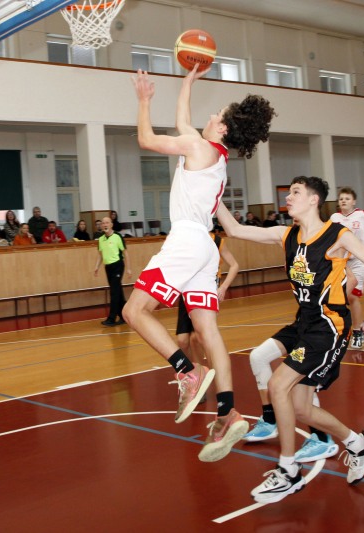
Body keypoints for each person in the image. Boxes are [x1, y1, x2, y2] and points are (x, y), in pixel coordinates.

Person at [122, 65, 275, 462]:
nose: (209, 116)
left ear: (221, 128)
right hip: (206, 247)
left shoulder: (198, 147)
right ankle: (228, 412)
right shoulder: (215, 157)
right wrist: (187, 82)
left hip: (187, 240)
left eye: (216, 114)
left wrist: (143, 101)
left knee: (134, 311)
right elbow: (182, 121)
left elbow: (146, 138)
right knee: (207, 331)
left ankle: (187, 371)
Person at [216, 176, 364, 504]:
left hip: (329, 326)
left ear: (313, 200)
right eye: (288, 192)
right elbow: (235, 229)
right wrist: (212, 192)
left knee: (278, 385)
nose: (288, 197)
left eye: (295, 192)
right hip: (303, 323)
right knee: (302, 409)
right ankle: (359, 444)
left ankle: (288, 471)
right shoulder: (287, 235)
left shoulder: (337, 235)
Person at [330, 187, 364, 350]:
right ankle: (356, 323)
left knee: (353, 296)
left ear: (354, 201)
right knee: (339, 297)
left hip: (360, 260)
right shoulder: (334, 218)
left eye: (347, 198)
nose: (343, 201)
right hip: (342, 261)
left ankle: (358, 332)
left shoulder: (363, 215)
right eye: (341, 199)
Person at [176, 230, 239, 366]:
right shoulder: (185, 238)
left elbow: (234, 265)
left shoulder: (216, 241)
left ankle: (204, 371)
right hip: (187, 290)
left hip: (207, 291)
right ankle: (192, 370)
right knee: (182, 340)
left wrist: (223, 287)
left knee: (197, 338)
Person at [94, 216, 131, 326]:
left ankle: (111, 318)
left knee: (114, 292)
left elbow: (125, 253)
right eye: (103, 223)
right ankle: (124, 316)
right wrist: (96, 267)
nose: (105, 225)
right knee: (118, 291)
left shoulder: (117, 237)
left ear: (111, 225)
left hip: (117, 266)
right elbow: (100, 255)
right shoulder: (101, 239)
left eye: (107, 223)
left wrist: (129, 268)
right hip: (108, 267)